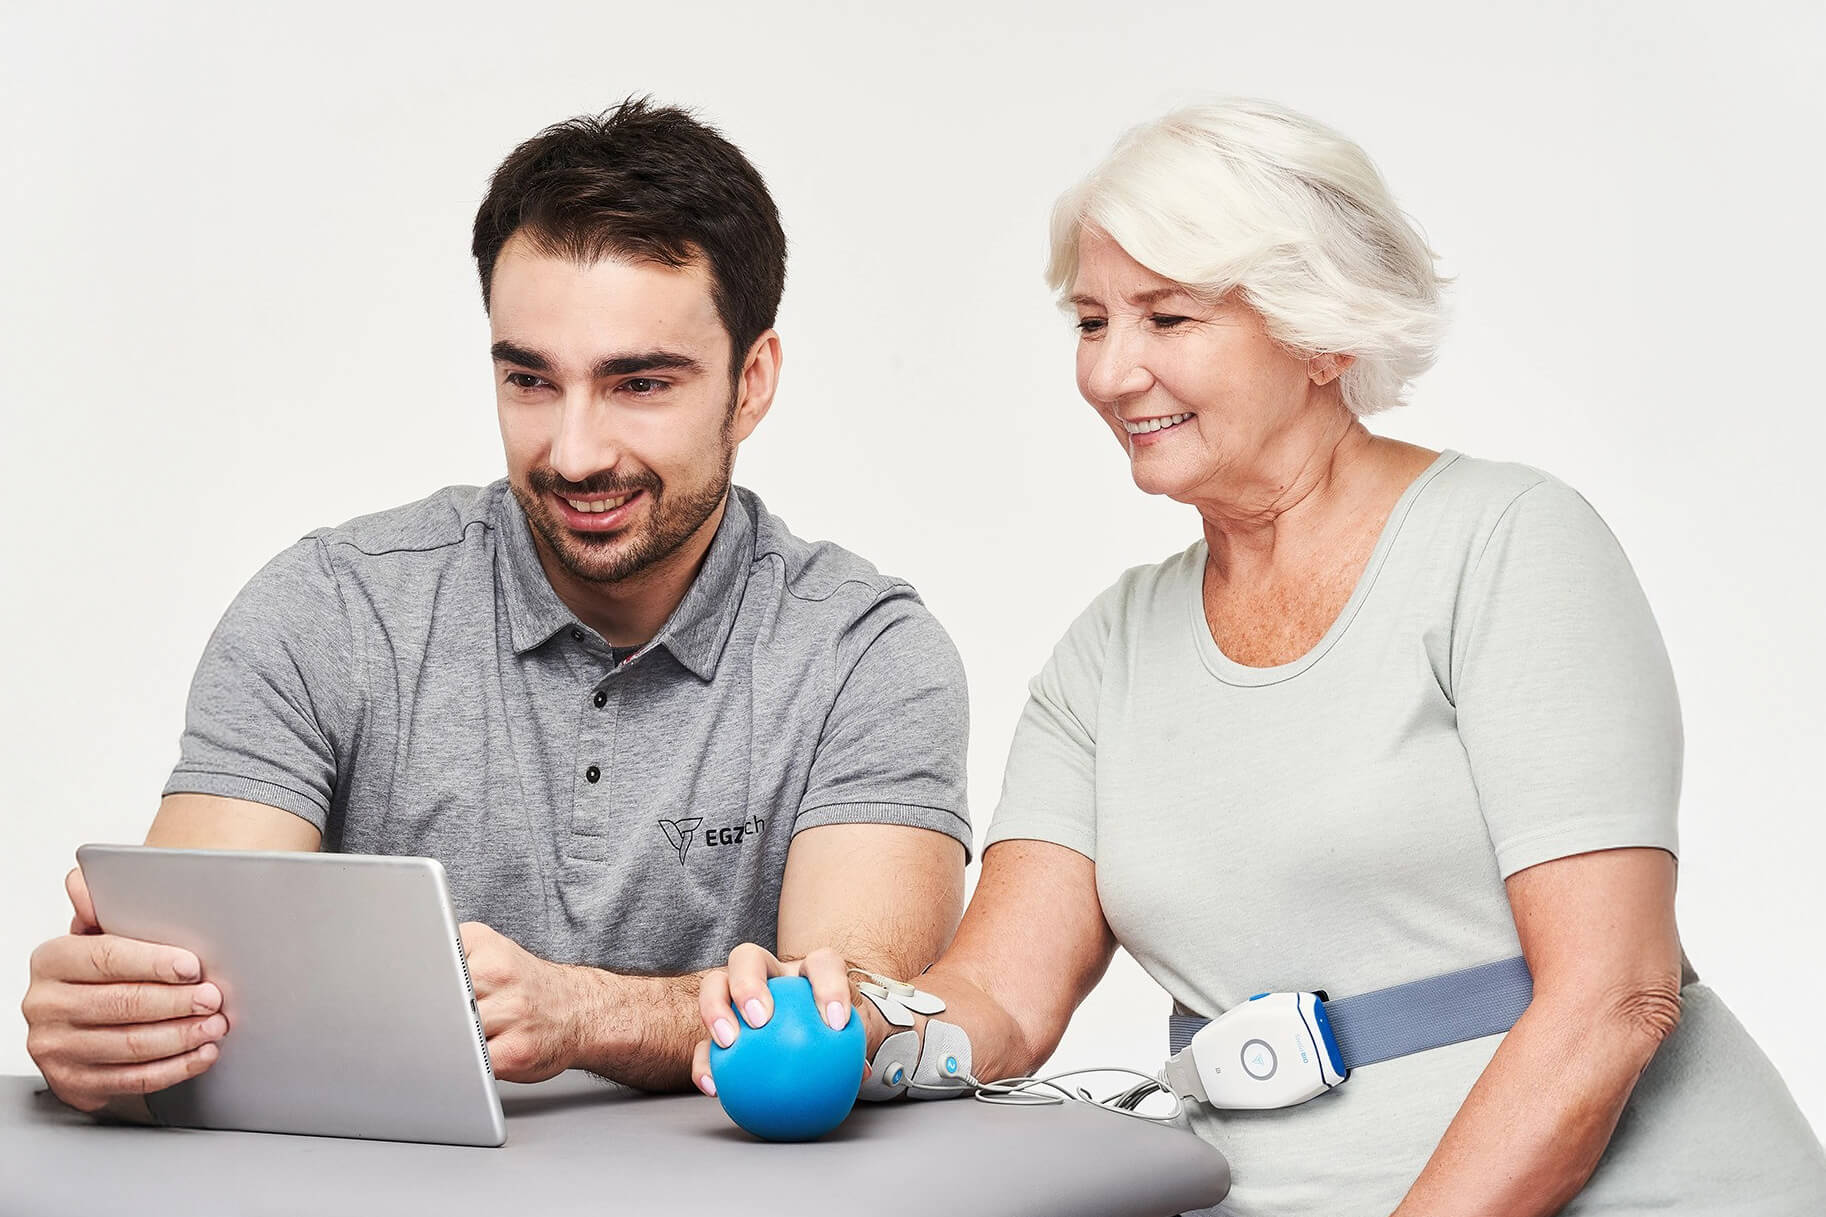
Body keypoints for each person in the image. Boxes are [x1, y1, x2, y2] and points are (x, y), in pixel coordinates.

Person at [698, 100, 1826, 1214]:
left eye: (1167, 319)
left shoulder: (1504, 543)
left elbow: (1614, 997)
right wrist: (848, 1025)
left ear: (1321, 332)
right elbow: (998, 993)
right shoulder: (1107, 653)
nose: (1107, 372)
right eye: (1091, 321)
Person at [22, 99, 970, 1121]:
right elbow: (188, 991)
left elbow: (862, 1016)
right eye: (528, 377)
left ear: (752, 382)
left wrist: (588, 1011)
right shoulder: (328, 610)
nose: (572, 452)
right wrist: (118, 1033)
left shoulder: (865, 653)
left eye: (638, 382)